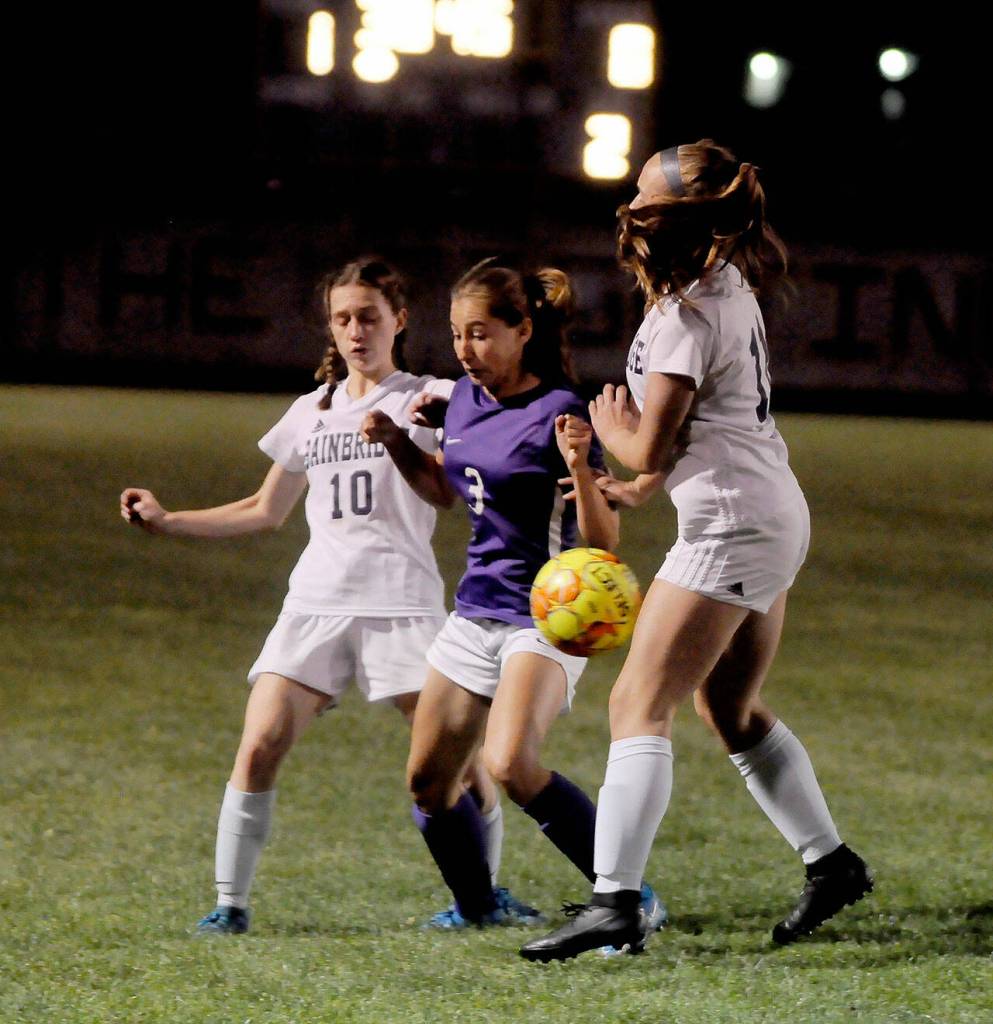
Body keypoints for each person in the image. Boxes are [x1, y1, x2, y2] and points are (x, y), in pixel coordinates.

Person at [520, 142, 873, 962]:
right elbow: (698, 429)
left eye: (642, 198)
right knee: (729, 709)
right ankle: (832, 864)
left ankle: (613, 903)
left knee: (635, 707)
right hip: (764, 509)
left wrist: (616, 445)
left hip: (732, 526)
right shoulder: (720, 288)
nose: (629, 208)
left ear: (675, 222)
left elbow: (650, 441)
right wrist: (643, 488)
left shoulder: (685, 315)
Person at [119, 257, 532, 935]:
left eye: (368, 315)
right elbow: (262, 509)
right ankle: (230, 906)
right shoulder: (311, 410)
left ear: (399, 319)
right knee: (257, 747)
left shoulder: (430, 396)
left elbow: (466, 482)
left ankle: (480, 900)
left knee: (453, 766)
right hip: (315, 604)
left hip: (402, 602)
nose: (354, 330)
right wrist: (168, 521)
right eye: (341, 318)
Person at [365, 258, 666, 936]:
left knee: (508, 763)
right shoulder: (463, 400)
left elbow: (603, 540)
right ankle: (478, 907)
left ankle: (629, 898)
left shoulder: (559, 410)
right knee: (428, 784)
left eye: (481, 334)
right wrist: (395, 444)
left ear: (523, 329)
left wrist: (580, 469)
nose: (466, 351)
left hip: (546, 615)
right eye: (457, 335)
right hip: (474, 612)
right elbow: (446, 491)